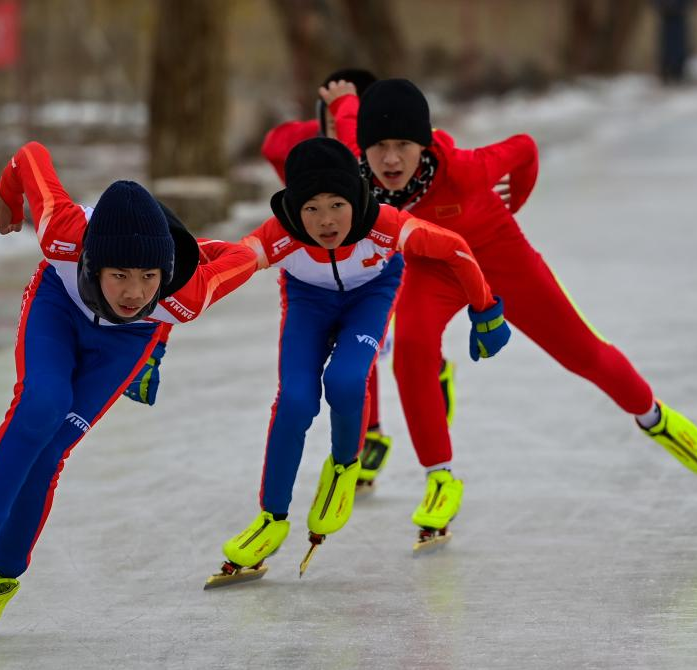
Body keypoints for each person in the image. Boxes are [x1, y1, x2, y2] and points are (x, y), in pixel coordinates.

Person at [321, 78, 697, 542]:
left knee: (581, 352)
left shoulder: (465, 169)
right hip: (435, 269)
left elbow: (524, 147)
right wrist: (342, 98)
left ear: (422, 142)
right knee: (412, 349)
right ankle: (440, 478)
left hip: (498, 258)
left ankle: (652, 416)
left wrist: (511, 202)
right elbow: (348, 119)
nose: (392, 159)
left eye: (404, 145)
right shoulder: (357, 168)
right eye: (380, 147)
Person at [0, 141, 257, 638]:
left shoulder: (184, 296)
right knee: (42, 406)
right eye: (119, 275)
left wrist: (188, 251)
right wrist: (5, 194)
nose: (133, 292)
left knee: (54, 445)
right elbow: (30, 155)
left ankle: (3, 574)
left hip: (127, 344)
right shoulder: (63, 232)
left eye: (149, 277)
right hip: (59, 309)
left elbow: (242, 256)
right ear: (93, 264)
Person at [206, 137, 510, 585]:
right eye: (311, 208)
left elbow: (456, 248)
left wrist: (485, 309)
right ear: (293, 208)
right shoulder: (279, 233)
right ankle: (272, 518)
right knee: (294, 401)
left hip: (370, 297)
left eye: (336, 204)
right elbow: (220, 272)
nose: (325, 221)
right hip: (308, 303)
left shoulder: (386, 224)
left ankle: (344, 467)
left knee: (347, 381)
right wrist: (160, 319)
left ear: (357, 199)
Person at [259, 68, 457, 492]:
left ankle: (416, 385)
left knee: (384, 339)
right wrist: (321, 124)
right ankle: (370, 431)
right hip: (330, 264)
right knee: (356, 352)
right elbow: (274, 144)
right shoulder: (316, 149)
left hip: (395, 255)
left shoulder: (379, 155)